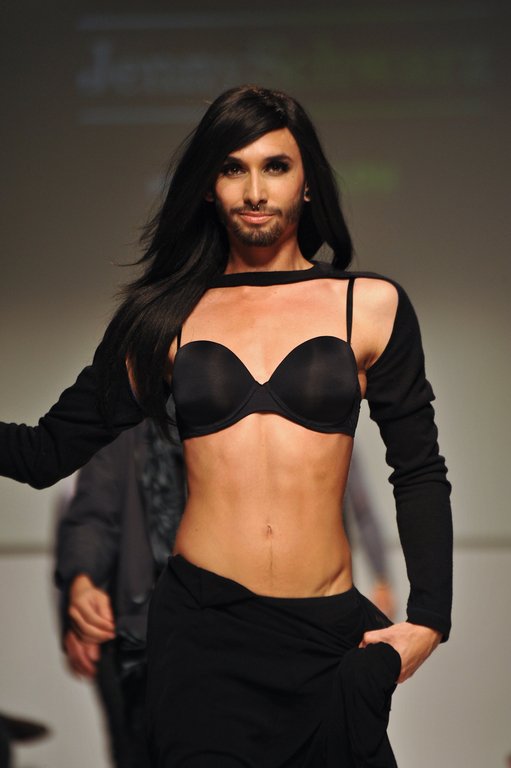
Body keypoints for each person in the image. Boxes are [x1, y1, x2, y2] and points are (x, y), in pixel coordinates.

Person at [0, 85, 452, 767]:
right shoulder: (161, 319)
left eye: (276, 166)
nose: (255, 190)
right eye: (232, 168)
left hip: (326, 636)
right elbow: (46, 452)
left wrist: (430, 621)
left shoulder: (368, 304)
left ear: (307, 183)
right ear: (208, 188)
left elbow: (417, 469)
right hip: (202, 635)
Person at [54, 415, 185, 768]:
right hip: (132, 635)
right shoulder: (123, 416)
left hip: (224, 630)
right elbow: (90, 515)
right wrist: (80, 590)